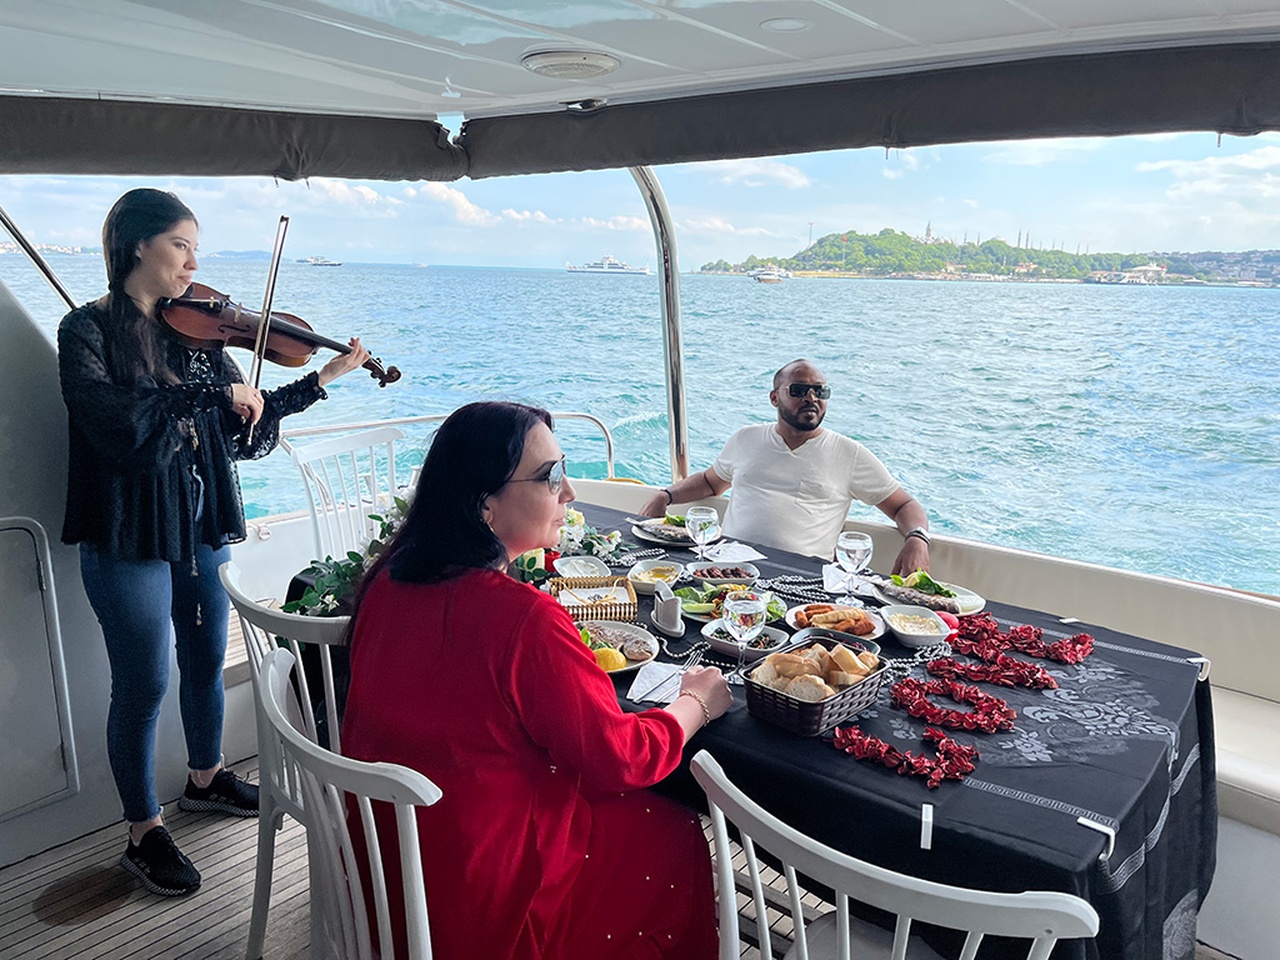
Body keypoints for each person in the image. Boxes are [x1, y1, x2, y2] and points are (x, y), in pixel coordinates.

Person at [57, 187, 371, 897]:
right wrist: (207, 398)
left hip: (196, 524)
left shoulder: (195, 335)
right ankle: (143, 831)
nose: (194, 262)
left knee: (202, 659)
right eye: (181, 245)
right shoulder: (86, 331)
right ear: (138, 245)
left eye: (195, 248)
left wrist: (318, 379)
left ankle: (204, 779)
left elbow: (242, 434)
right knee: (143, 685)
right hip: (127, 530)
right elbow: (117, 429)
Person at [341, 401, 732, 960]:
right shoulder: (520, 618)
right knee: (669, 827)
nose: (569, 493)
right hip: (485, 901)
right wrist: (694, 701)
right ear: (486, 508)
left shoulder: (387, 580)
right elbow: (623, 757)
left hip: (395, 869)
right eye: (551, 477)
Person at [640, 359, 932, 573]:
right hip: (726, 566)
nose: (811, 398)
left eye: (820, 391)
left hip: (801, 577)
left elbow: (903, 504)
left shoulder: (849, 453)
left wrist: (918, 539)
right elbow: (709, 482)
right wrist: (665, 496)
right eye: (799, 390)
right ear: (774, 397)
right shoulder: (746, 438)